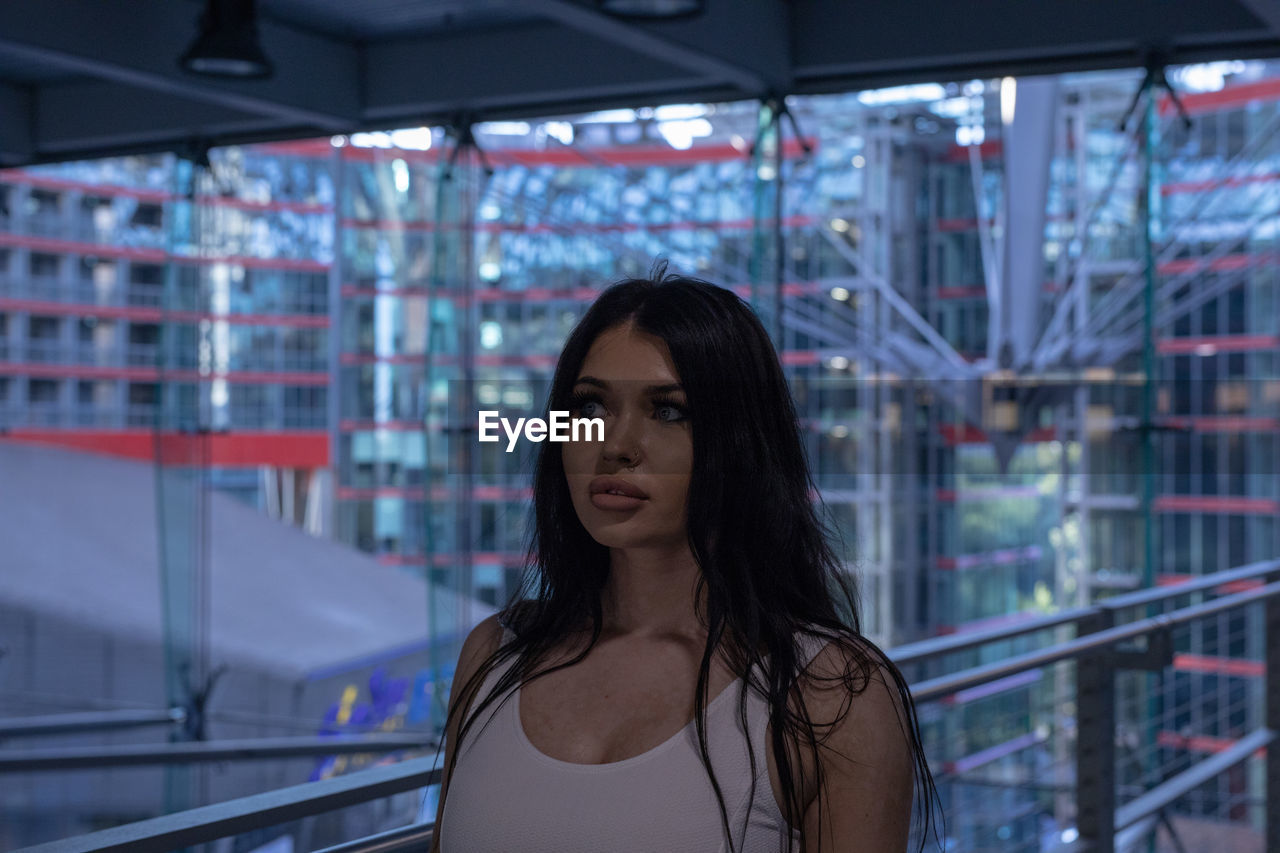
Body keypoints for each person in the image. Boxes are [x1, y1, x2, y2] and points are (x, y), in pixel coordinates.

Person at [429, 263, 943, 852]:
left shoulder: (830, 696)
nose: (615, 446)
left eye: (668, 411)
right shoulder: (493, 656)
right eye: (591, 408)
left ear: (741, 444)